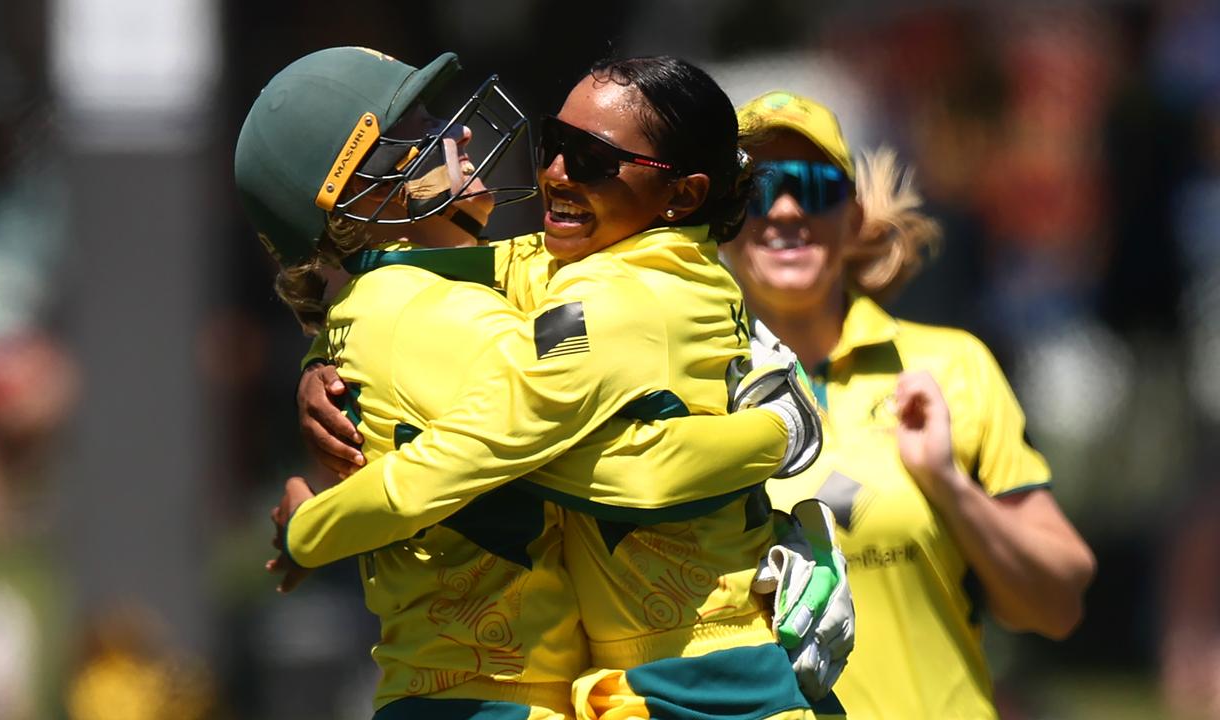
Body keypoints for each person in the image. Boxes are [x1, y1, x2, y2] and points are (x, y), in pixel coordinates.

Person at [237, 48, 832, 720]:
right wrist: (778, 432)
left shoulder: (543, 291)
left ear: (684, 192)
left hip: (641, 683)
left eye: (590, 159)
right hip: (589, 690)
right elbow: (610, 466)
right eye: (422, 127)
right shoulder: (459, 310)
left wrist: (321, 360)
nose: (460, 134)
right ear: (361, 194)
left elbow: (540, 299)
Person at [721, 90, 1097, 719]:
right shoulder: (692, 382)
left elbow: (1057, 605)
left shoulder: (950, 366)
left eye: (813, 187)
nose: (785, 210)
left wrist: (949, 485)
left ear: (852, 217)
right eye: (756, 188)